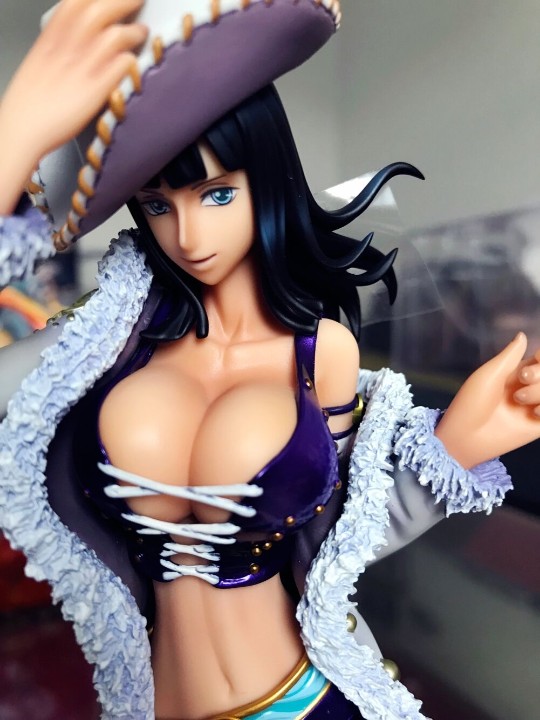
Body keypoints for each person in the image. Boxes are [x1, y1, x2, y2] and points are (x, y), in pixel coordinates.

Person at [1, 2, 539, 719]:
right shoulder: (99, 348)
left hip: (302, 699)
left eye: (218, 194)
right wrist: (14, 141)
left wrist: (454, 447)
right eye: (157, 205)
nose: (189, 236)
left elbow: (332, 540)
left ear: (269, 181)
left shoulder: (322, 352)